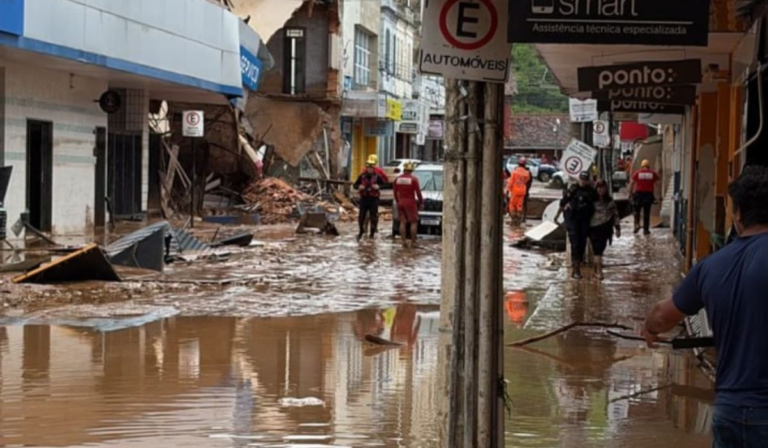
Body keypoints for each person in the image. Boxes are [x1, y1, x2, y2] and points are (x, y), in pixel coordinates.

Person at [642, 166, 768, 447]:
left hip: (730, 409)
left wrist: (650, 328)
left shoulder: (710, 266)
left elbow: (662, 316)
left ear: (737, 214)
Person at [555, 171, 597, 279]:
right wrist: (556, 216)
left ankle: (579, 261)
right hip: (572, 218)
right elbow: (563, 202)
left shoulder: (591, 191)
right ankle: (576, 268)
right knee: (575, 242)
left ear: (588, 181)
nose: (583, 182)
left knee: (582, 242)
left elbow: (597, 205)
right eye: (581, 179)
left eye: (585, 180)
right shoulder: (573, 189)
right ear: (579, 179)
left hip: (585, 219)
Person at [589, 180, 621, 280]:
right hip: (593, 228)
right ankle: (599, 271)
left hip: (606, 228)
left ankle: (595, 271)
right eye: (599, 188)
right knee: (597, 249)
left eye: (603, 188)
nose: (601, 190)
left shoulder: (609, 201)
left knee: (600, 250)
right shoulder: (591, 200)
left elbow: (615, 215)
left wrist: (617, 228)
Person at [393, 162, 423, 248]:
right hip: (410, 202)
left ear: (404, 169)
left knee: (402, 222)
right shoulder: (414, 179)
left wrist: (398, 201)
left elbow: (395, 192)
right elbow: (418, 193)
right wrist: (421, 202)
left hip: (400, 202)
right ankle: (413, 242)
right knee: (413, 222)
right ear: (411, 170)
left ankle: (403, 242)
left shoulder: (397, 179)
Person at [353, 161, 385, 241]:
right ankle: (361, 231)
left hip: (374, 199)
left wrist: (378, 186)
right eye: (368, 168)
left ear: (373, 169)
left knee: (373, 217)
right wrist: (359, 187)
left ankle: (372, 234)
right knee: (361, 216)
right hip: (364, 198)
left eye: (371, 168)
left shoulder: (377, 177)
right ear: (366, 169)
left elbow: (384, 184)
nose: (370, 170)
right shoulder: (361, 176)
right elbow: (355, 185)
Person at [630, 159, 659, 235]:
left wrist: (630, 193)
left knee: (637, 211)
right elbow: (656, 185)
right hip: (648, 195)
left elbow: (632, 183)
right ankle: (646, 230)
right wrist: (658, 195)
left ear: (642, 166)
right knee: (647, 213)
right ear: (648, 166)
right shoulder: (653, 173)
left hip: (638, 194)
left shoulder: (637, 173)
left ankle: (636, 225)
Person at [507, 157, 532, 225]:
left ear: (518, 163)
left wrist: (508, 190)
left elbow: (511, 182)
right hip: (522, 191)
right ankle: (518, 220)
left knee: (512, 205)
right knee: (519, 205)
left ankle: (513, 220)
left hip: (514, 191)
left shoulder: (514, 172)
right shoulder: (527, 173)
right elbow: (527, 180)